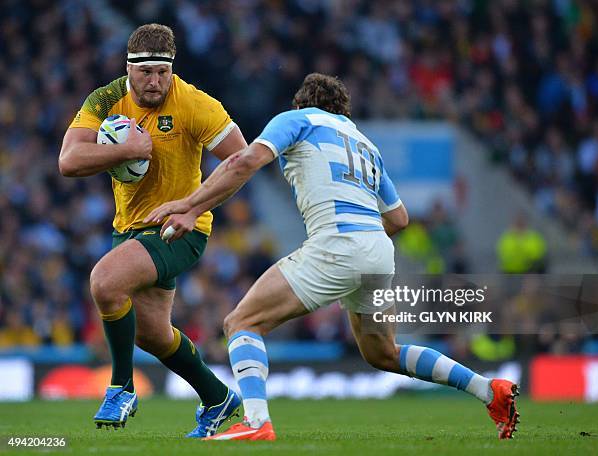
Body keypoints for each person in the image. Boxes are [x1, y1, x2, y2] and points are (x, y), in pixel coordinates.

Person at [146, 73, 520, 441]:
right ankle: (489, 390)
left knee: (242, 322)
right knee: (384, 353)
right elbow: (399, 218)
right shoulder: (365, 144)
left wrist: (191, 207)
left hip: (337, 243)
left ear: (302, 102)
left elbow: (243, 163)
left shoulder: (297, 120)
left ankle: (257, 422)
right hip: (377, 251)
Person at [59, 24, 244, 437]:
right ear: (129, 68)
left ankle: (120, 387)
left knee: (105, 283)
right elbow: (68, 161)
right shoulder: (106, 99)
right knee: (153, 336)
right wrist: (128, 149)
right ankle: (218, 397)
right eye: (146, 73)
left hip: (181, 228)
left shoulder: (195, 103)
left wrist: (192, 207)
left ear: (171, 69)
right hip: (128, 228)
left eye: (163, 72)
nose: (156, 81)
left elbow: (242, 159)